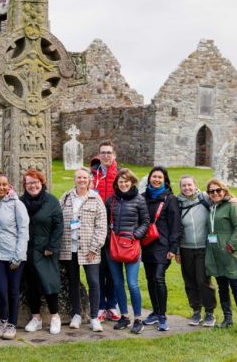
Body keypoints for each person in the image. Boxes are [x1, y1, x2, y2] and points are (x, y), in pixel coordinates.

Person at [59, 167, 107, 332]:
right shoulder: (65, 197)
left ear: (89, 180)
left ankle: (94, 317)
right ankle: (77, 314)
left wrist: (94, 247)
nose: (81, 181)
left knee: (94, 282)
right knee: (73, 282)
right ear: (75, 179)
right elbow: (59, 220)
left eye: (84, 178)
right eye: (79, 178)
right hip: (69, 248)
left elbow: (101, 227)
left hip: (89, 249)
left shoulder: (96, 199)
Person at [0, 172, 29, 340]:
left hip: (14, 255)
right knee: (0, 290)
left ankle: (12, 324)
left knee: (13, 290)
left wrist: (18, 255)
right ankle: (3, 320)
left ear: (9, 186)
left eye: (4, 184)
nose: (1, 187)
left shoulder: (17, 204)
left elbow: (24, 231)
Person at [104, 168, 149, 334]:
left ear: (132, 182)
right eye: (120, 181)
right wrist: (110, 238)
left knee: (132, 283)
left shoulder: (139, 200)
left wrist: (134, 236)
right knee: (117, 283)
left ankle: (138, 318)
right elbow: (104, 220)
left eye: (126, 181)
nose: (123, 184)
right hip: (113, 247)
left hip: (131, 246)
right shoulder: (111, 201)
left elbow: (145, 222)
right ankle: (124, 316)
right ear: (117, 183)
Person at [205, 179, 237, 337]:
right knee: (222, 286)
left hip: (230, 254)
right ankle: (227, 319)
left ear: (224, 190)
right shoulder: (211, 207)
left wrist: (230, 246)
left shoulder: (232, 206)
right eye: (212, 191)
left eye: (218, 190)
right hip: (216, 255)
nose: (215, 193)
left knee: (236, 288)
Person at [20, 169, 64, 335]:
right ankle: (36, 318)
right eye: (29, 183)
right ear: (25, 185)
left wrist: (52, 247)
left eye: (35, 182)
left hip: (46, 250)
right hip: (27, 250)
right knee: (31, 285)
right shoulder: (21, 201)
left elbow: (58, 225)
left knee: (49, 283)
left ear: (41, 183)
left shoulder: (51, 201)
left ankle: (55, 317)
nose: (32, 185)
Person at [141, 166, 181, 331]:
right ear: (149, 178)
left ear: (165, 180)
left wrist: (173, 247)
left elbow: (175, 225)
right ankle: (155, 312)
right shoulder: (143, 197)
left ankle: (162, 315)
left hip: (163, 246)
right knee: (150, 280)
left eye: (160, 177)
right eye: (154, 177)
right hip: (147, 245)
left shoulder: (170, 199)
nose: (156, 180)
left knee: (158, 278)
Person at [176, 175, 217, 327]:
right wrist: (178, 250)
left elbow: (223, 198)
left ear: (195, 185)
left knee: (203, 280)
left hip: (203, 247)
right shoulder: (177, 202)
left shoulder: (205, 198)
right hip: (185, 248)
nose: (187, 188)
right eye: (184, 186)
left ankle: (210, 313)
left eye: (189, 185)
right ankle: (196, 311)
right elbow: (175, 227)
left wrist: (234, 200)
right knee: (189, 281)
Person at [89, 141, 120, 322]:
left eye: (109, 152)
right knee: (98, 270)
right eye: (103, 153)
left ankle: (112, 305)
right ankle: (100, 305)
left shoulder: (120, 174)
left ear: (114, 155)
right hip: (96, 229)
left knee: (114, 270)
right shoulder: (92, 175)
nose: (106, 156)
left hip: (115, 230)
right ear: (98, 155)